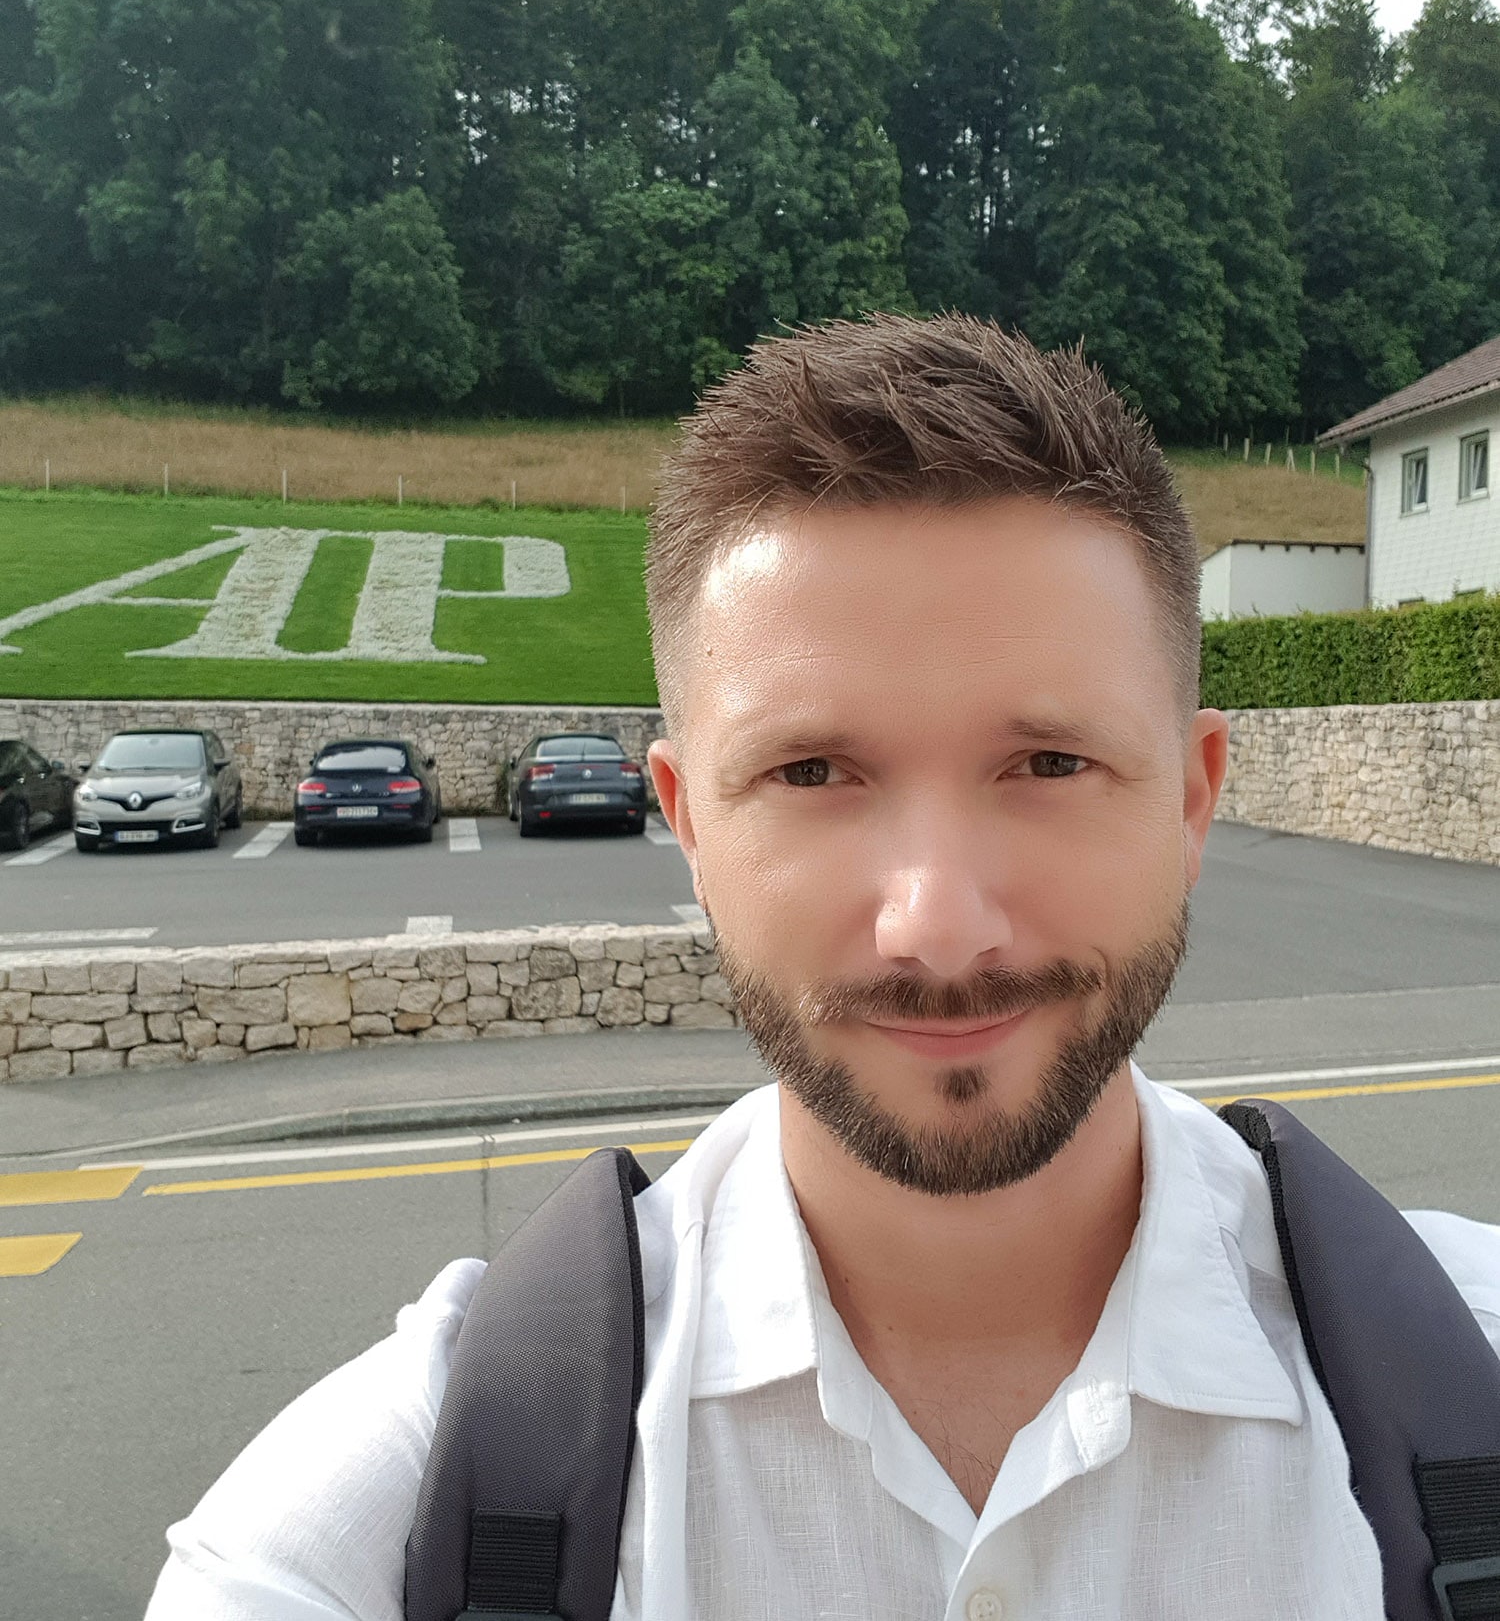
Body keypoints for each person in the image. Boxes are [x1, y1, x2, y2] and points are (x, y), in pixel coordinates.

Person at [144, 314, 1500, 1620]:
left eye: (1047, 764)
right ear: (686, 823)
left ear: (1194, 801)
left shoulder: (1471, 1371)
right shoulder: (370, 1527)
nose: (938, 925)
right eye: (812, 772)